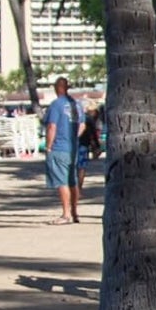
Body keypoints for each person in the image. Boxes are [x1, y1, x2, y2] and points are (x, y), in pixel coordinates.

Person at [44, 76, 84, 224]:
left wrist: (48, 146)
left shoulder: (56, 105)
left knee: (62, 182)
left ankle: (66, 214)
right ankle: (74, 212)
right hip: (73, 147)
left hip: (59, 146)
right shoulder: (76, 105)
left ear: (58, 88)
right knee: (72, 182)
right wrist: (73, 137)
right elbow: (82, 125)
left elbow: (52, 126)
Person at [77, 108, 103, 193]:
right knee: (81, 167)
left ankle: (74, 187)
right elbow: (93, 135)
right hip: (84, 144)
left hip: (74, 144)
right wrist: (97, 147)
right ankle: (79, 188)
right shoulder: (88, 120)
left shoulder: (74, 118)